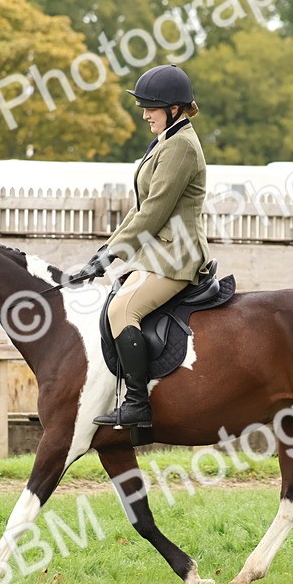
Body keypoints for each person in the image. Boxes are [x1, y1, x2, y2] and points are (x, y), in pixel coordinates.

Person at [72, 63, 211, 429]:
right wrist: (105, 251)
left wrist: (111, 255)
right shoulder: (167, 139)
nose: (145, 114)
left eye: (151, 108)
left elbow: (153, 212)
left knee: (122, 311)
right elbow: (139, 208)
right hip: (157, 255)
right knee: (113, 301)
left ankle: (137, 404)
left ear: (174, 109)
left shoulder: (181, 146)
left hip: (176, 257)